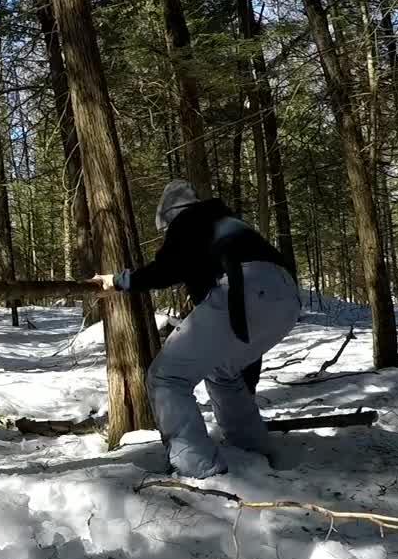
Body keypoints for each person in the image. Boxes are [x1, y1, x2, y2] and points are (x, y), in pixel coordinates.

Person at [91, 179, 300, 478]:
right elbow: (242, 333)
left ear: (170, 216)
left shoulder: (189, 221)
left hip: (245, 291)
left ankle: (197, 469)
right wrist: (247, 378)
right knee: (224, 372)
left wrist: (119, 281)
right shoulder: (228, 225)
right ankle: (252, 452)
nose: (167, 236)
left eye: (165, 231)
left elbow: (166, 269)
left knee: (166, 377)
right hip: (287, 299)